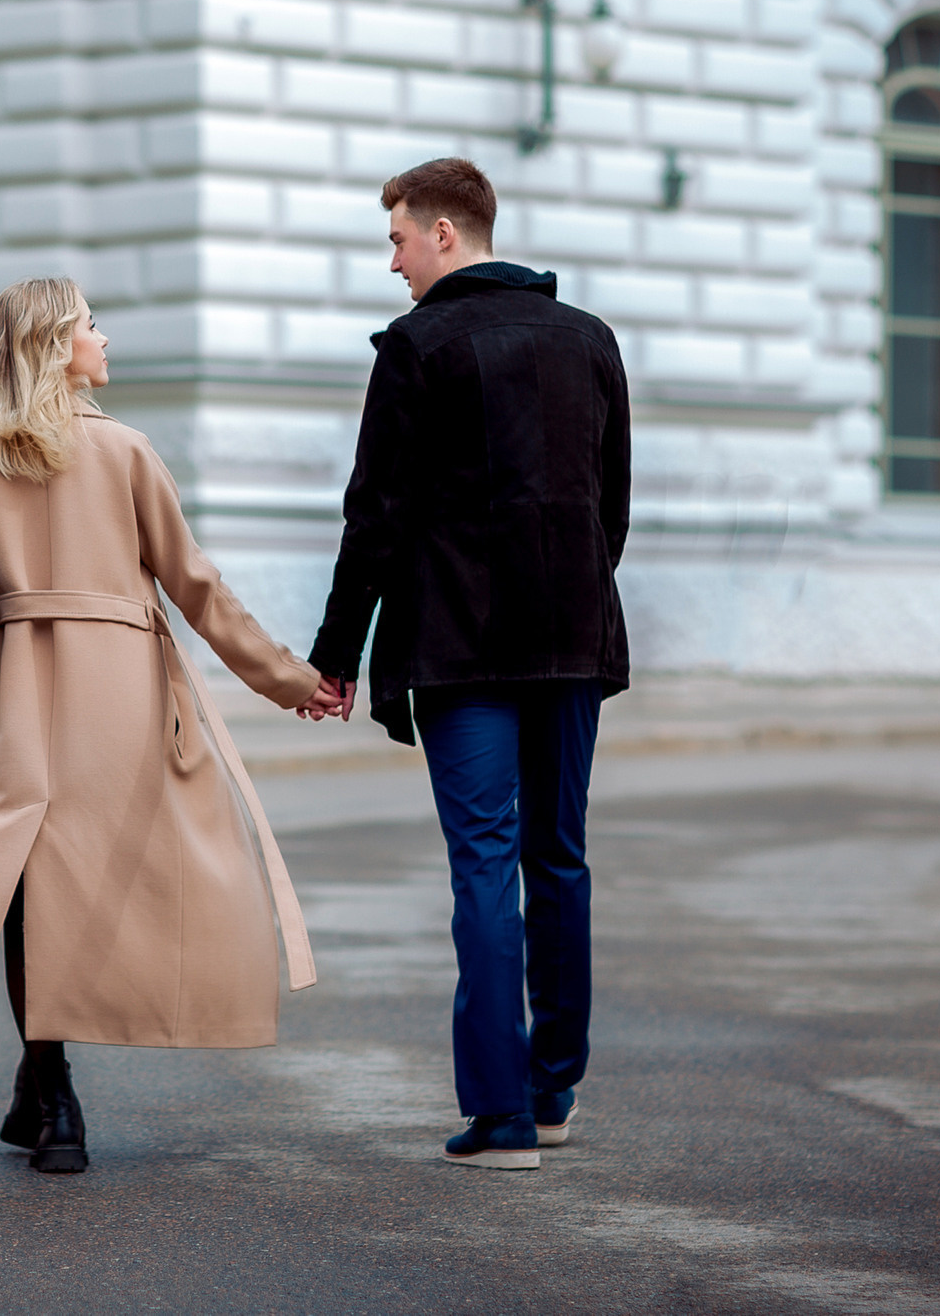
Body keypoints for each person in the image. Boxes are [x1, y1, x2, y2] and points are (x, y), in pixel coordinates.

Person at [0, 276, 328, 1174]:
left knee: (20, 878)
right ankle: (50, 1089)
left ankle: (50, 1093)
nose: (104, 340)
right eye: (90, 326)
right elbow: (199, 591)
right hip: (118, 696)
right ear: (54, 346)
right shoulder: (125, 453)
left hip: (11, 693)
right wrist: (290, 680)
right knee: (107, 877)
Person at [298, 157, 630, 1173]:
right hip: (571, 636)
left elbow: (377, 514)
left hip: (461, 644)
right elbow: (608, 503)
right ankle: (552, 1090)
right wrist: (572, 588)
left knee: (485, 864)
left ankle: (500, 1121)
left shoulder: (416, 346)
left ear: (446, 233)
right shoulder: (590, 341)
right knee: (558, 857)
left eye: (397, 237)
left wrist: (336, 652)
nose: (390, 261)